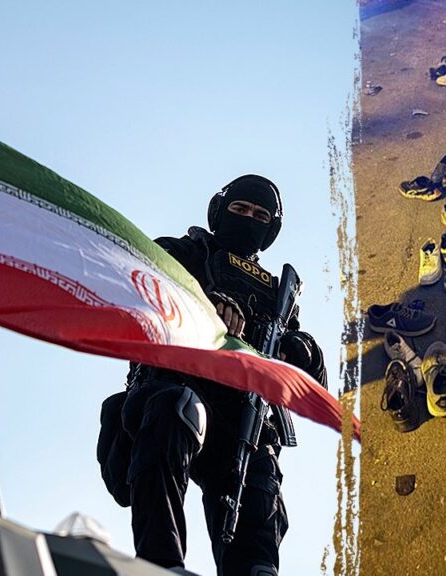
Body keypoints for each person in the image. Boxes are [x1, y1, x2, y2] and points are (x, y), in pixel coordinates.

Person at [105, 175, 327, 576]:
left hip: (243, 418)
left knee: (259, 488)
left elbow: (314, 381)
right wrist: (202, 304)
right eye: (240, 209)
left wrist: (299, 348)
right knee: (176, 409)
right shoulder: (181, 252)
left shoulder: (278, 297)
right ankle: (160, 563)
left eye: (260, 216)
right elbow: (139, 281)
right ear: (219, 212)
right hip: (177, 391)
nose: (249, 219)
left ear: (271, 230)